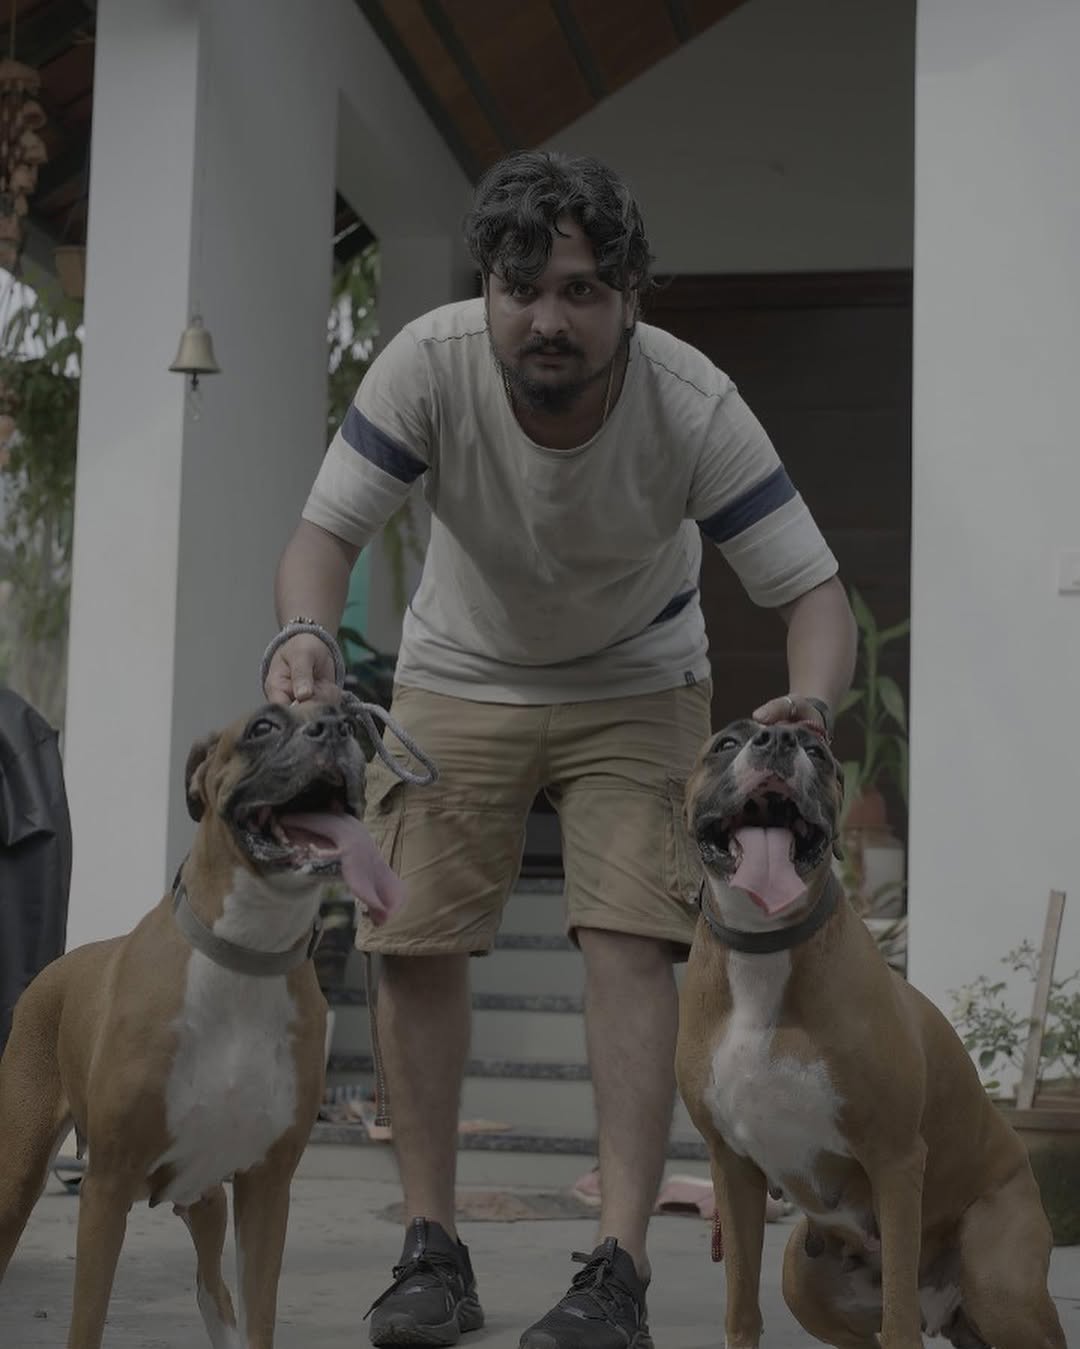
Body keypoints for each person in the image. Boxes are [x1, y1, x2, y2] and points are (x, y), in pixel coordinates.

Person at [265, 150, 856, 1349]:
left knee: (631, 941)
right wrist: (306, 635)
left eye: (581, 289)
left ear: (629, 297)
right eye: (521, 286)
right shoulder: (427, 365)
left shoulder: (692, 403)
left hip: (641, 675)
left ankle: (617, 1267)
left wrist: (808, 704)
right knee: (412, 935)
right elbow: (322, 538)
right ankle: (431, 1247)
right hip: (459, 666)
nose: (548, 317)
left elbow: (816, 595)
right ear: (486, 288)